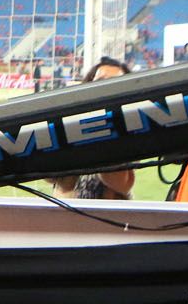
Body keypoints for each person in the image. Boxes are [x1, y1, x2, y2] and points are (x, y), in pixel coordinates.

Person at [46, 56, 135, 200]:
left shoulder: (131, 126)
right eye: (101, 81)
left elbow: (120, 183)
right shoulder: (70, 121)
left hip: (109, 217)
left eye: (117, 83)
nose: (107, 88)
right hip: (67, 215)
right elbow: (54, 178)